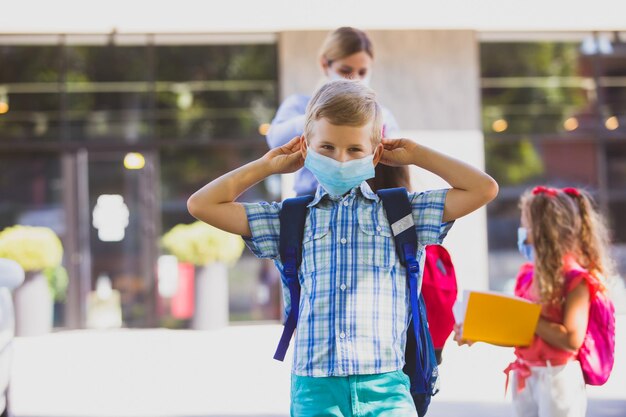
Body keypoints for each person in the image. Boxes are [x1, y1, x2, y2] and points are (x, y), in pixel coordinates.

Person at [188, 80, 498, 416]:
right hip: (315, 390)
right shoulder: (290, 219)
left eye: (354, 150)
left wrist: (418, 154)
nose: (340, 159)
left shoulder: (403, 213)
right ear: (305, 148)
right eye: (326, 148)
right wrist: (268, 165)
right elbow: (202, 204)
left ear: (375, 154)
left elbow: (483, 188)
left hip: (386, 389)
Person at [455, 185, 615, 417]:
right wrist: (478, 333)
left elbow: (571, 340)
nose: (522, 231)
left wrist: (529, 319)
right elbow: (519, 333)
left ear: (543, 230)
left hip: (558, 378)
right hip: (525, 374)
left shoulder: (576, 280)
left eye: (526, 224)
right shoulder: (527, 276)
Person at [266, 26, 404, 196]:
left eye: (363, 72)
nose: (355, 78)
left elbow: (397, 169)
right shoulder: (299, 105)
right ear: (325, 64)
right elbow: (276, 141)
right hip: (309, 200)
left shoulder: (382, 116)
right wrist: (324, 114)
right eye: (345, 71)